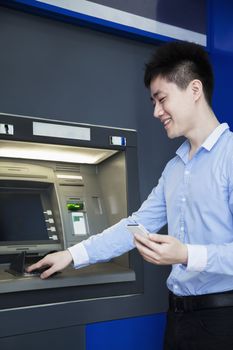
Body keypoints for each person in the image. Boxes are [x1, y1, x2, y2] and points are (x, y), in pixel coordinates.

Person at [27, 41, 233, 349]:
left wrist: (187, 254)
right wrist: (72, 254)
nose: (156, 112)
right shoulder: (175, 168)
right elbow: (136, 225)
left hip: (222, 321)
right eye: (153, 102)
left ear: (194, 89)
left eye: (161, 99)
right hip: (178, 318)